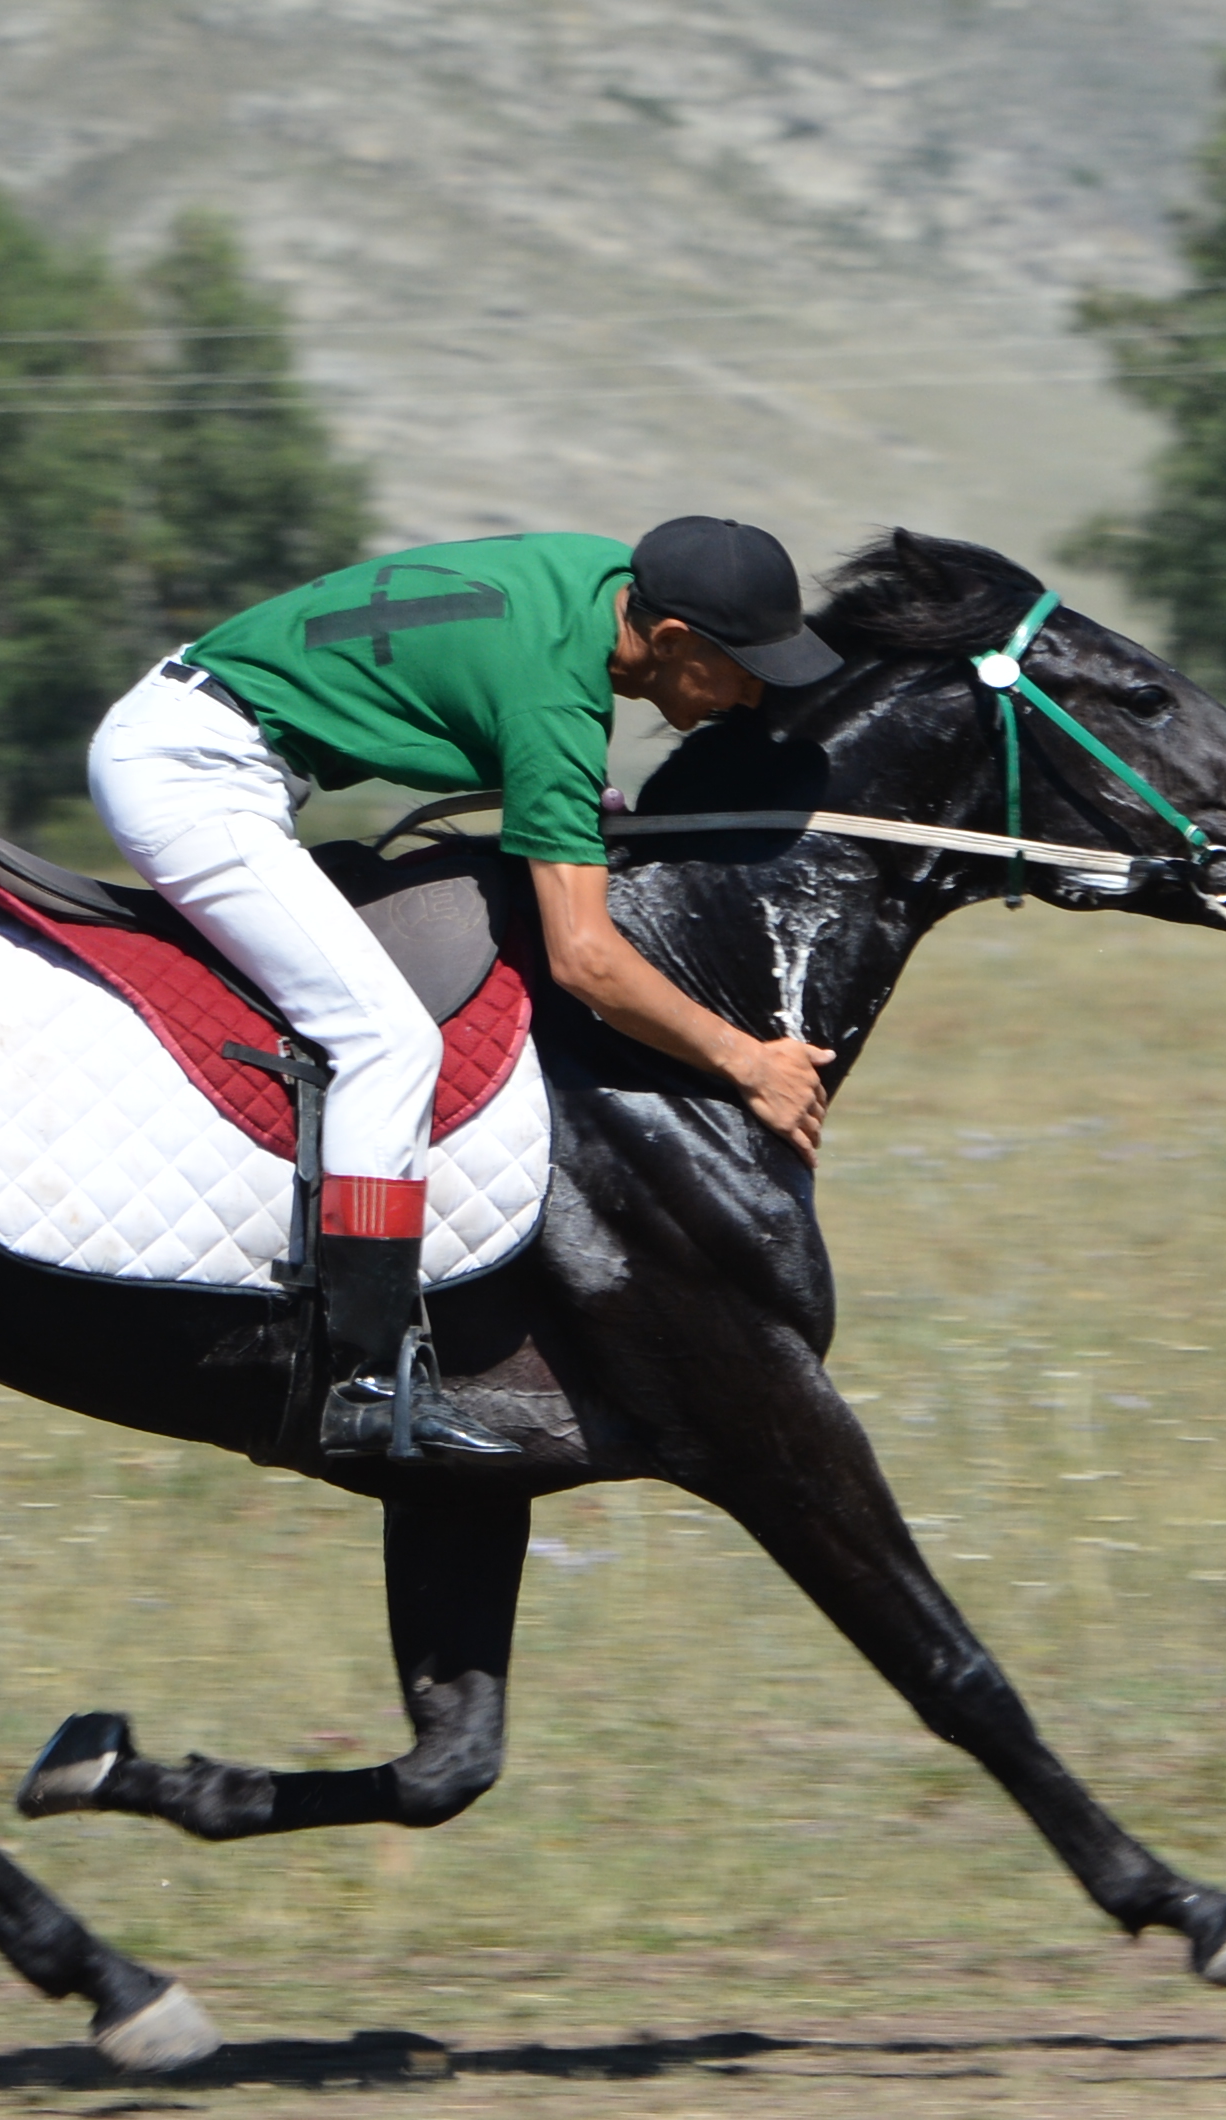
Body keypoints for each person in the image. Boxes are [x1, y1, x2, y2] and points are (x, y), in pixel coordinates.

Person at [88, 516, 843, 1458]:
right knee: (385, 1039)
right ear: (674, 639)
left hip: (200, 724)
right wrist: (746, 1061)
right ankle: (361, 1381)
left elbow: (496, 694)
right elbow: (585, 962)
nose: (753, 693)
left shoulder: (598, 574)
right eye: (745, 668)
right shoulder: (556, 704)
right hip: (188, 775)